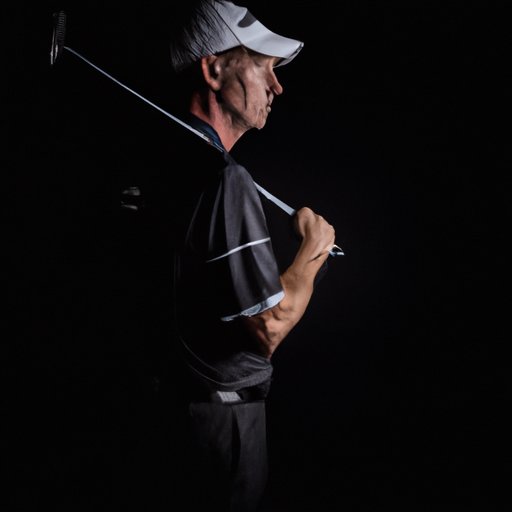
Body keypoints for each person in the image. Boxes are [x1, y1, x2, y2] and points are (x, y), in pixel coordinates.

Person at [118, 1, 337, 510]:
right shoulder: (225, 180)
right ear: (213, 70)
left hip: (162, 420)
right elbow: (269, 328)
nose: (276, 87)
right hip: (219, 433)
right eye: (262, 67)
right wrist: (315, 248)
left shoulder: (155, 167)